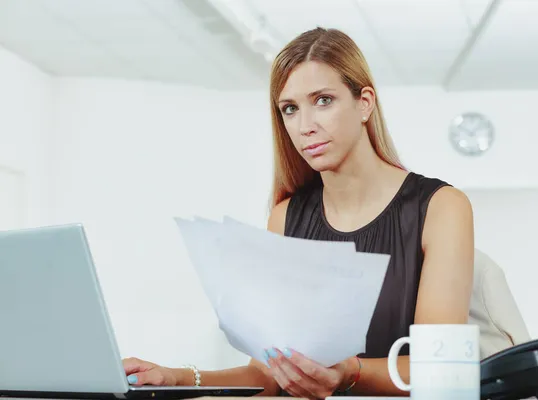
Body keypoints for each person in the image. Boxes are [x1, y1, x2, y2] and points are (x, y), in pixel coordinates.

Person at [122, 27, 474, 399]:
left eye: (323, 100)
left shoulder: (441, 206)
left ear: (364, 102)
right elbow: (268, 374)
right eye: (290, 108)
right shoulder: (285, 217)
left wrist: (348, 372)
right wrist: (177, 378)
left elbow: (441, 372)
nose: (306, 126)